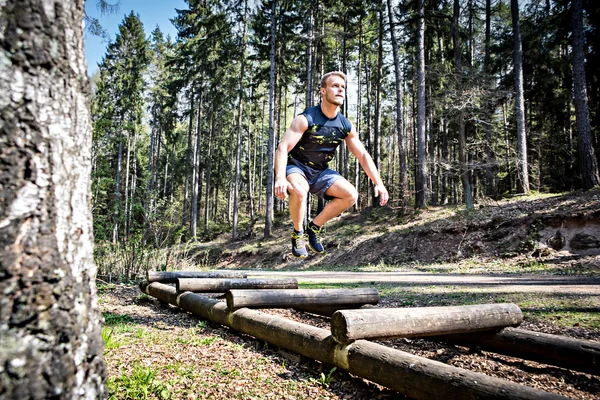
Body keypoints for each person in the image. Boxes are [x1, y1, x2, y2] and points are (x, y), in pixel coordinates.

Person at [274, 71, 389, 258]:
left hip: (320, 172)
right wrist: (280, 177)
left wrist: (379, 183)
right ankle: (298, 233)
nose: (340, 90)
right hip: (297, 167)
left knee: (350, 195)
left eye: (343, 87)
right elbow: (282, 147)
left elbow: (362, 154)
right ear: (323, 90)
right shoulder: (306, 119)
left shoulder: (345, 125)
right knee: (299, 189)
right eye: (335, 86)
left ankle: (314, 227)